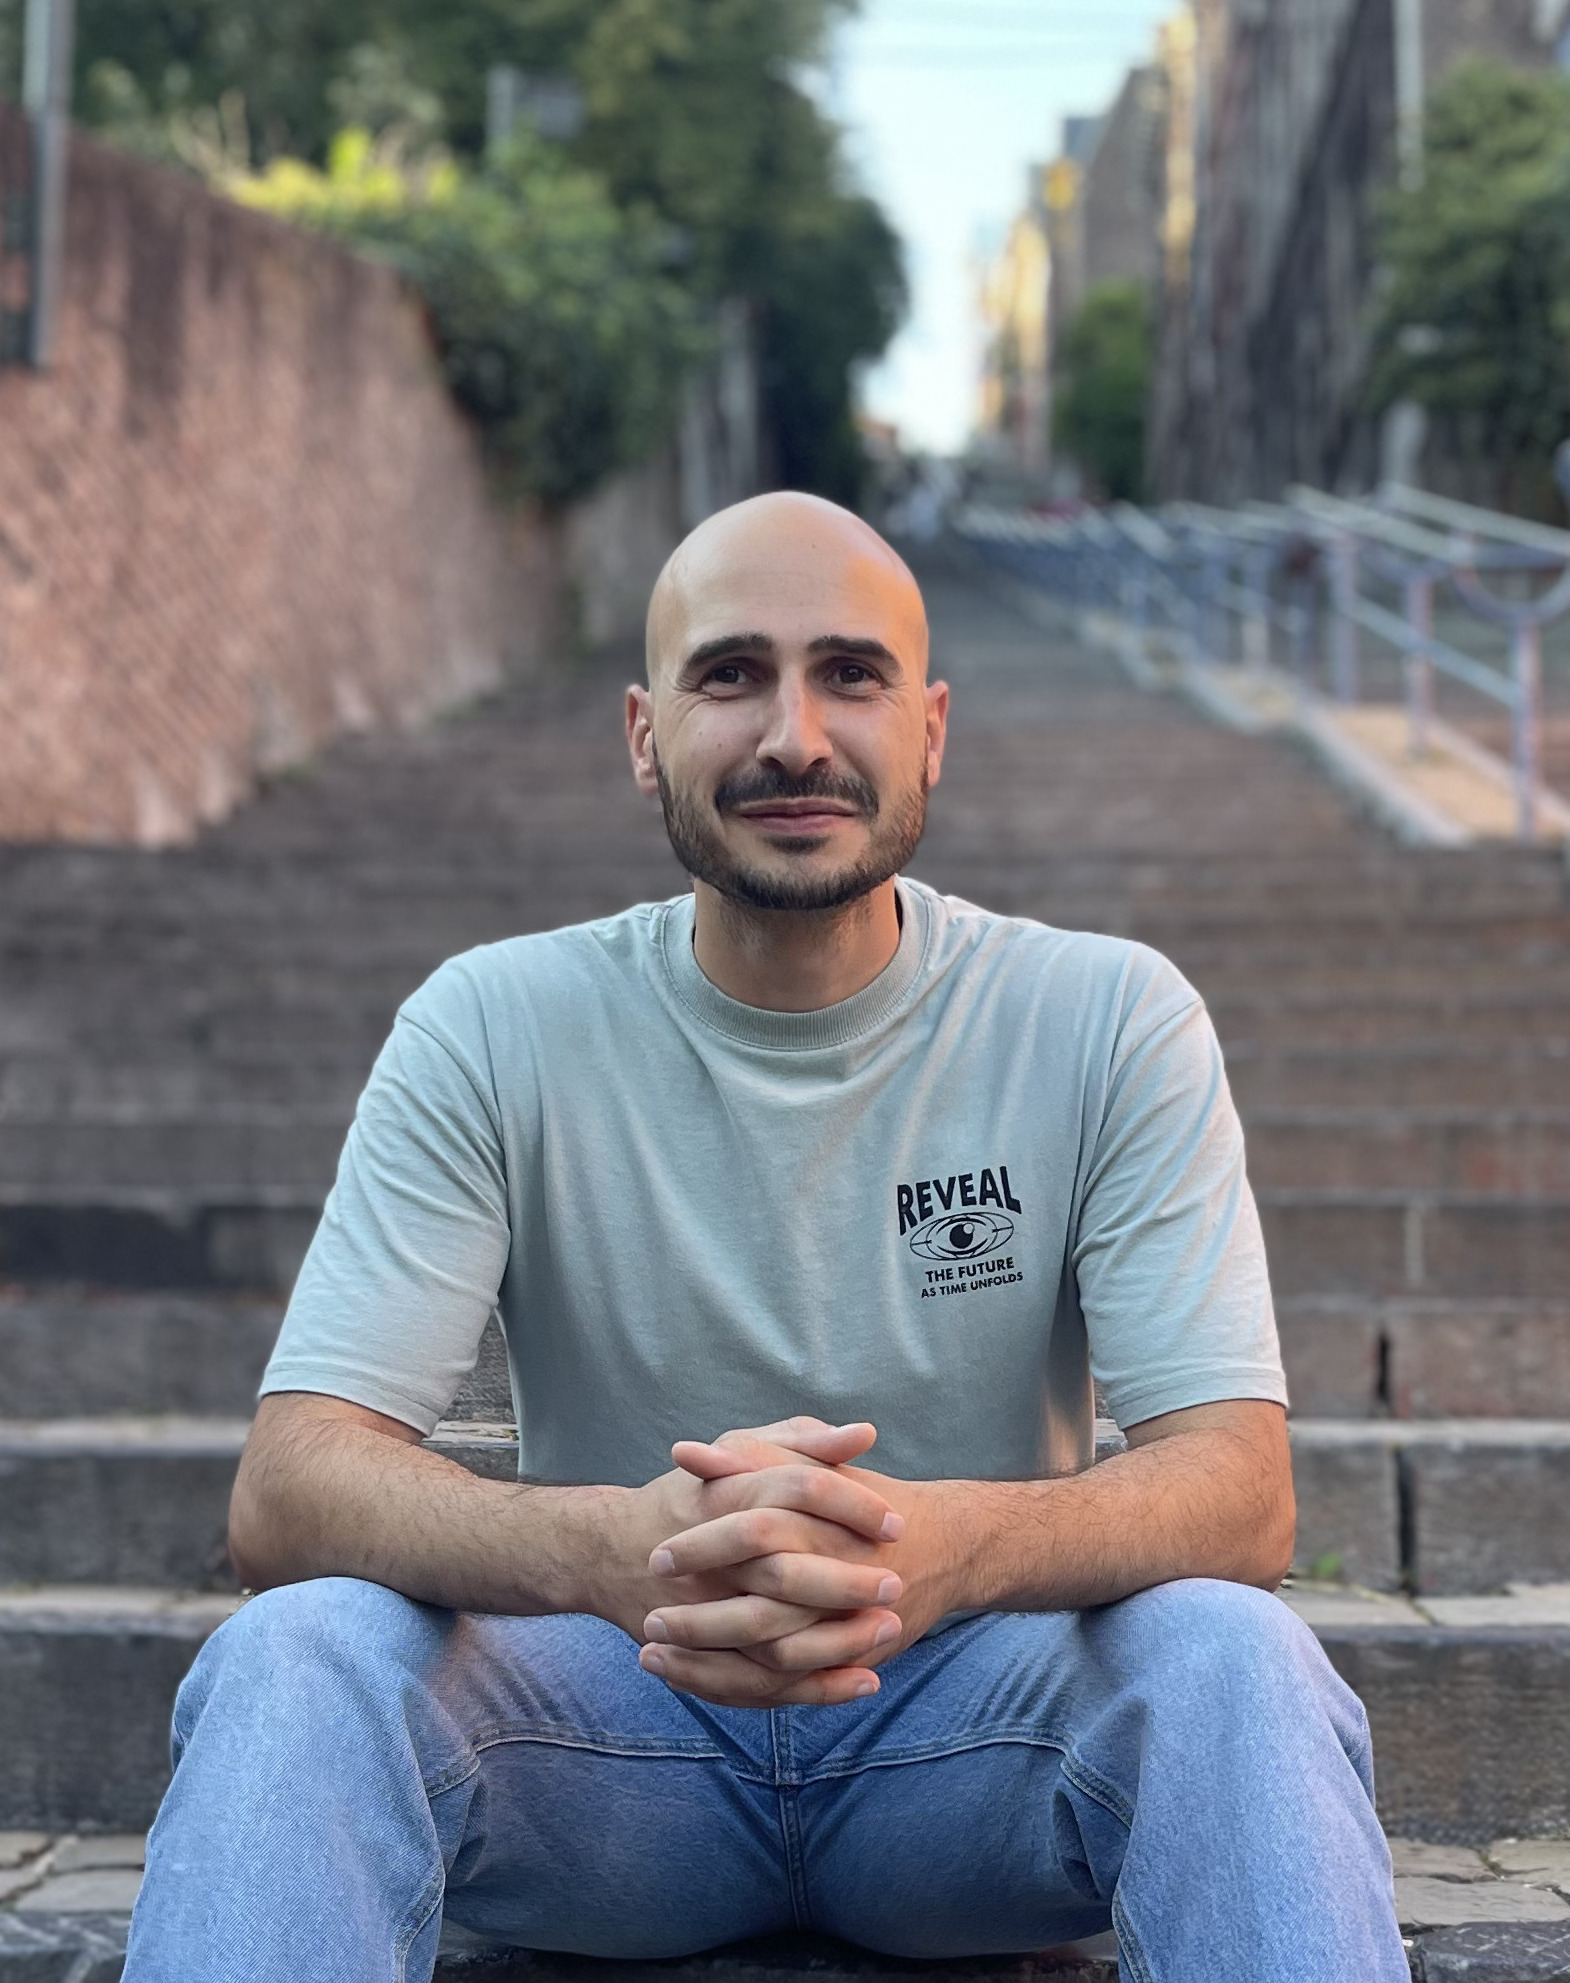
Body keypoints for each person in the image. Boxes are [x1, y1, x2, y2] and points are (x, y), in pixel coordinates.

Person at [124, 493, 1406, 1982]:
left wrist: (944, 1551)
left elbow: (1240, 1495)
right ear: (643, 735)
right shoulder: (489, 1023)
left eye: (850, 674)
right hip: (606, 1745)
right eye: (730, 674)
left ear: (930, 729)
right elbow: (289, 1486)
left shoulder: (1107, 1018)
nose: (794, 737)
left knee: (1237, 1656)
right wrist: (615, 1551)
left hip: (972, 1747)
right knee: (295, 1655)